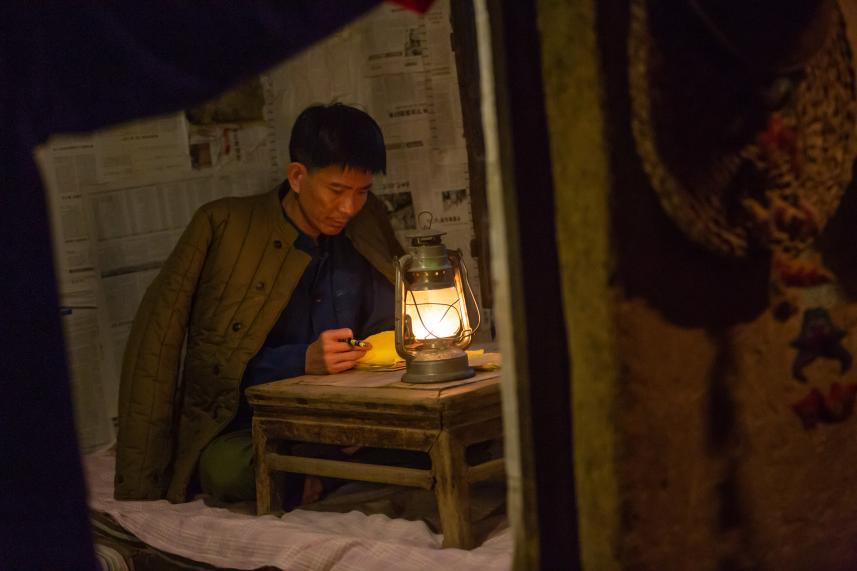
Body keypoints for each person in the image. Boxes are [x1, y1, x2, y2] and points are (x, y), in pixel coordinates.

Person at [114, 103, 405, 506]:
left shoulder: (365, 224)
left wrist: (370, 407)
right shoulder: (225, 226)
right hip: (253, 425)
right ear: (297, 176)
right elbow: (186, 357)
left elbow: (391, 321)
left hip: (351, 412)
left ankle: (317, 470)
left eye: (362, 192)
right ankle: (316, 468)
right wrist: (301, 360)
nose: (349, 208)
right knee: (224, 469)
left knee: (453, 440)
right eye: (337, 191)